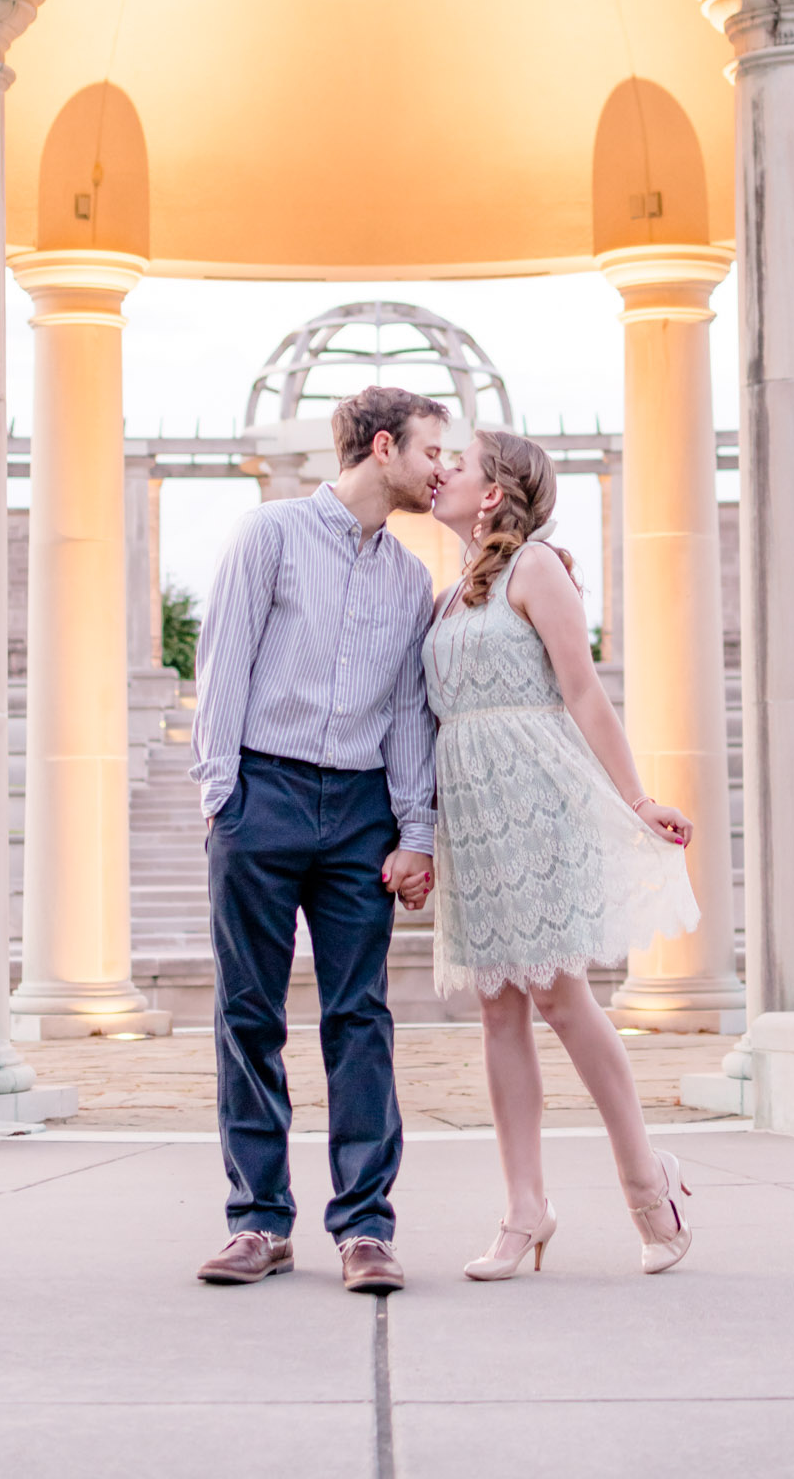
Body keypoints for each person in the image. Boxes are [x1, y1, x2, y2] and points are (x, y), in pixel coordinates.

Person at [427, 428, 700, 1280]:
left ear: (495, 494)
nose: (442, 473)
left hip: (535, 799)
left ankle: (647, 1185)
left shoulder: (536, 568)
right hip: (470, 810)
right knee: (496, 1005)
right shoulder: (445, 596)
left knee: (557, 993)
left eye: (459, 465)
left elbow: (582, 688)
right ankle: (524, 1211)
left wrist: (636, 797)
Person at [191, 386, 444, 1294]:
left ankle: (365, 1228)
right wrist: (225, 795)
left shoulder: (411, 578)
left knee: (359, 1018)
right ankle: (258, 1223)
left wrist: (415, 830)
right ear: (384, 449)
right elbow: (222, 664)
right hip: (265, 790)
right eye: (429, 452)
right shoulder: (269, 537)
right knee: (249, 1017)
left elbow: (412, 716)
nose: (438, 469)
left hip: (361, 814)